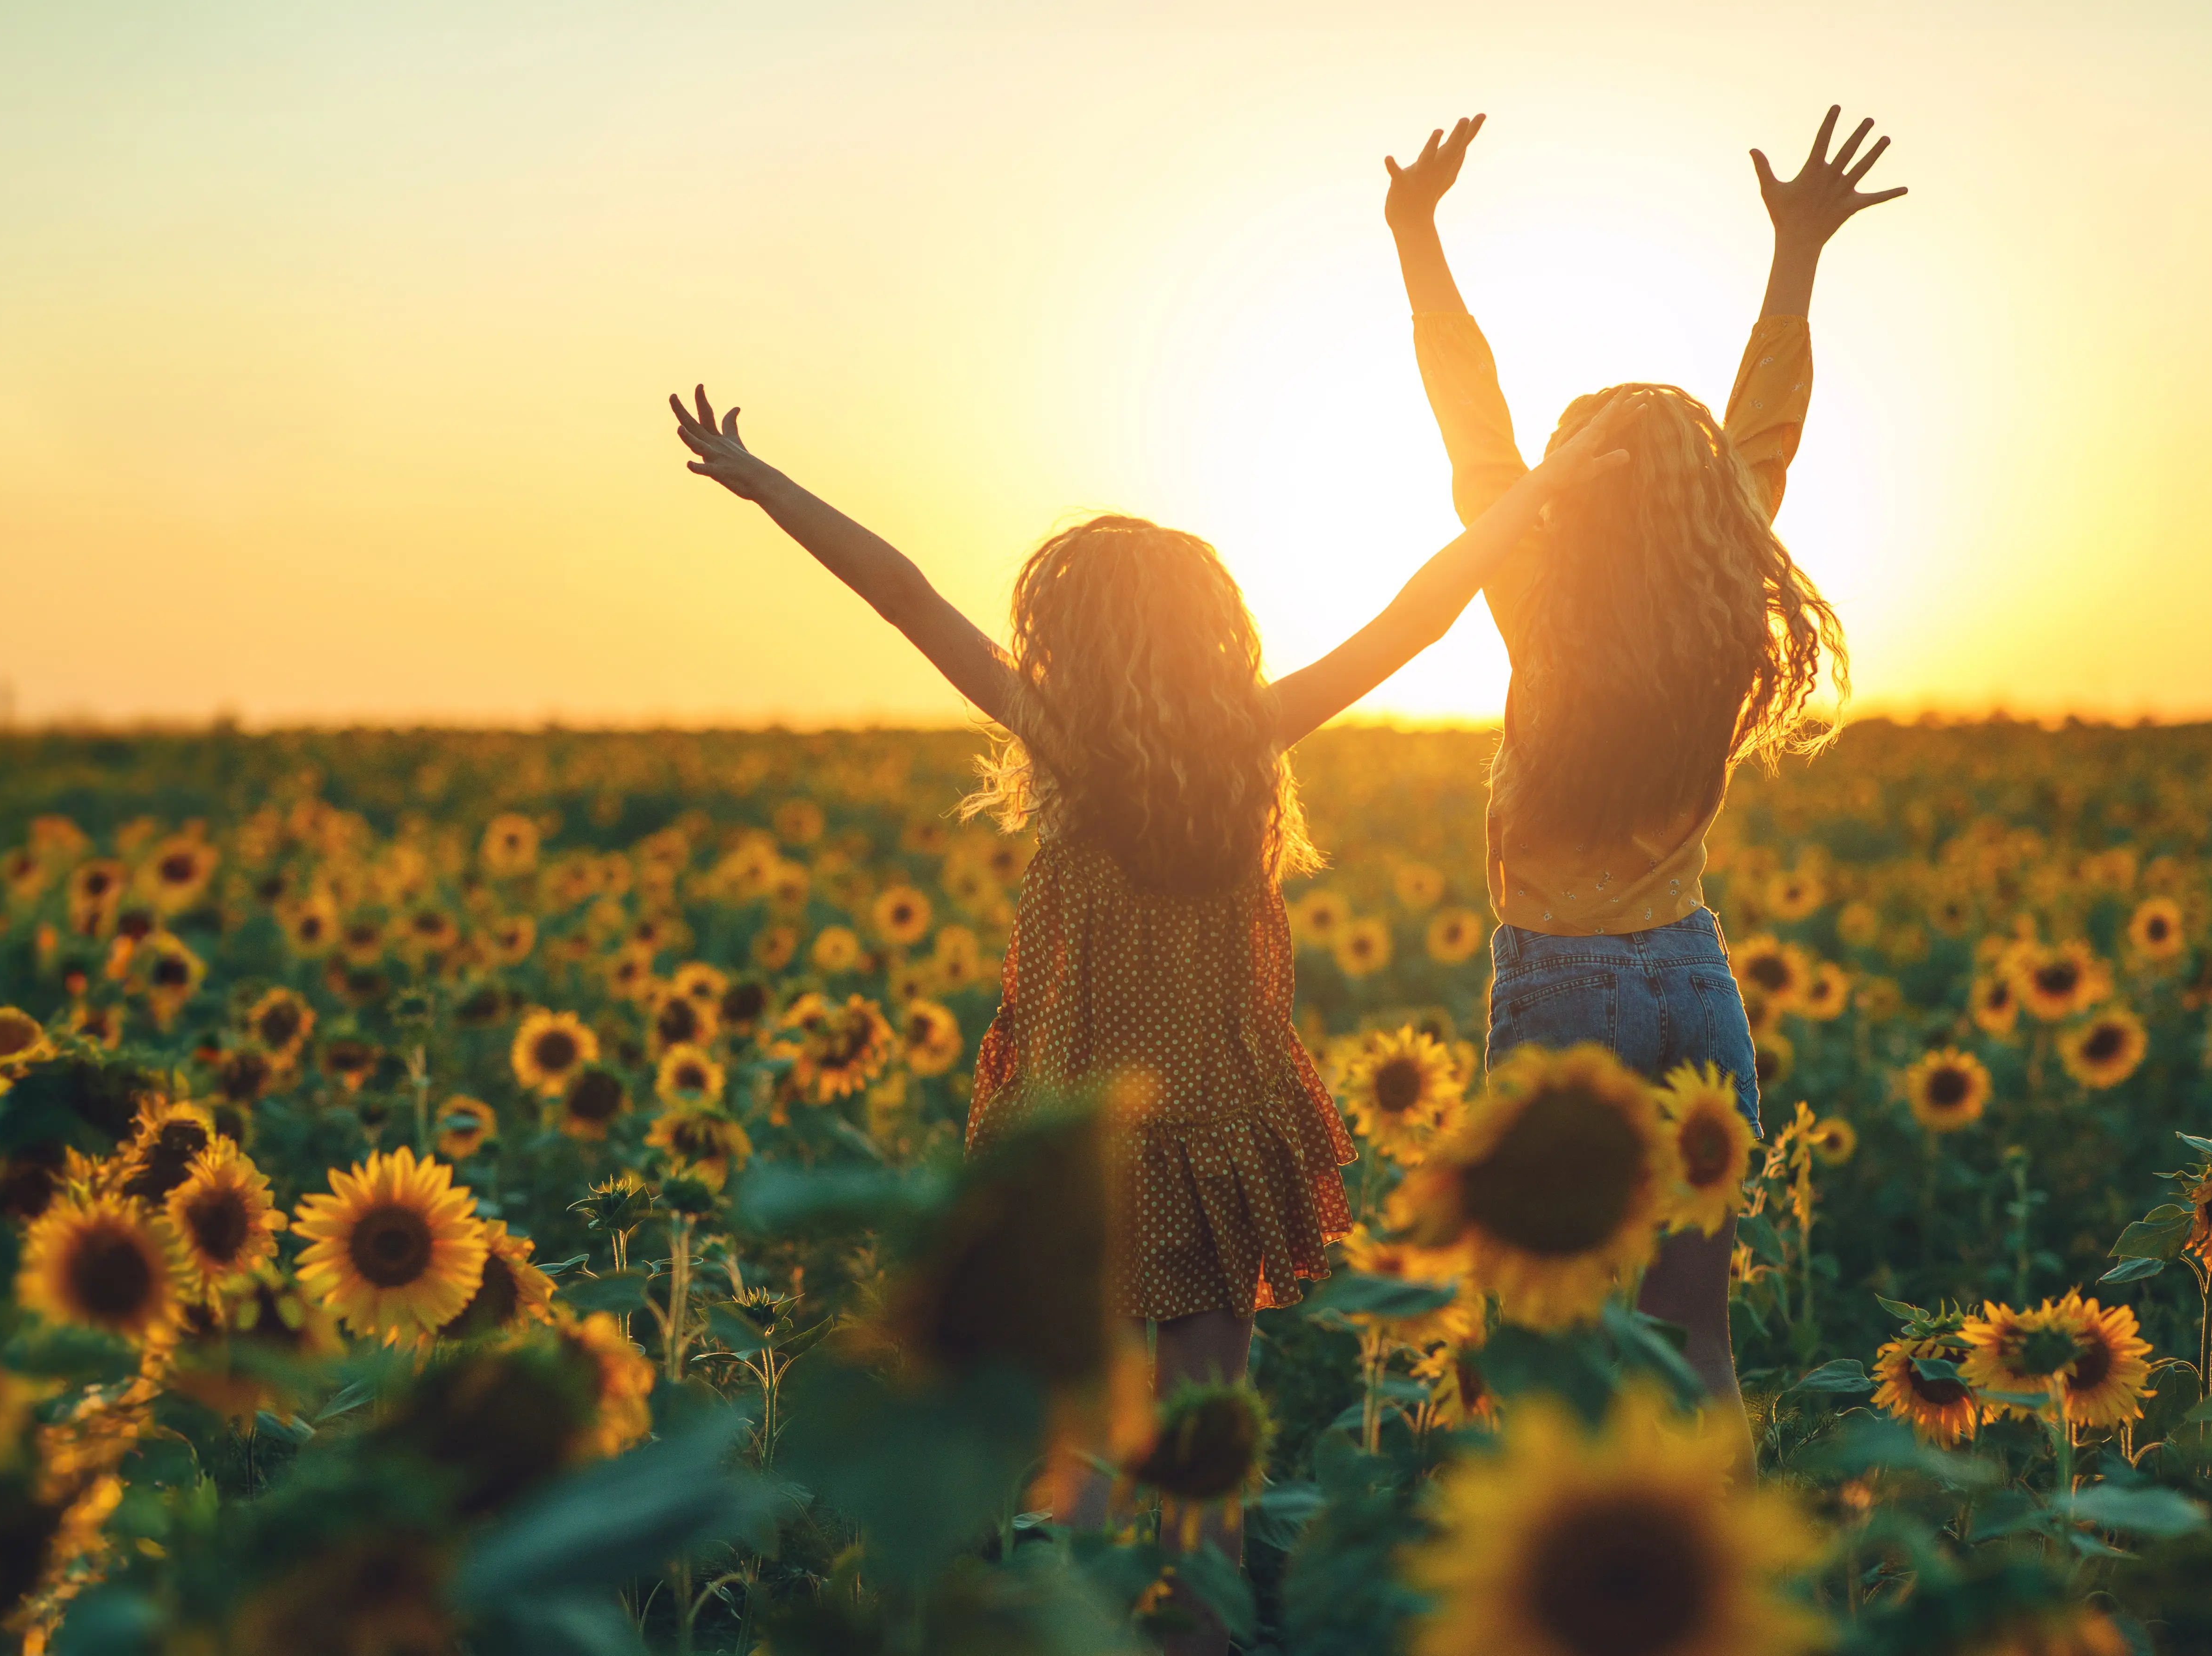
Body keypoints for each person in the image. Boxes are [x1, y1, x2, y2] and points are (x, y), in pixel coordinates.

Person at [665, 382, 1619, 1544]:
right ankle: (1197, 1625)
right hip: (1218, 1126)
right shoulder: (1249, 740)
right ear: (1206, 635)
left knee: (1082, 1428)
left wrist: (764, 484)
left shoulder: (1060, 741)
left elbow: (904, 592)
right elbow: (1413, 620)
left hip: (1079, 1147)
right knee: (1208, 1422)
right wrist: (1534, 495)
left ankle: (1096, 1615)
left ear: (1069, 641)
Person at [1380, 105, 1901, 1406]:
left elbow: (1467, 417)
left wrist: (1415, 234)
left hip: (1564, 998)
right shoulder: (1727, 597)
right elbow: (1765, 427)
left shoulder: (1538, 598)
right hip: (1696, 986)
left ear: (1570, 491)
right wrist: (1797, 253)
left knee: (1535, 1343)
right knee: (1696, 1343)